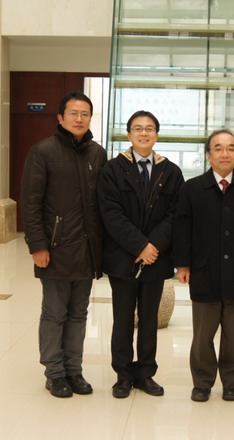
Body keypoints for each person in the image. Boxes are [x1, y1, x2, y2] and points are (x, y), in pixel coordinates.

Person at [21, 91, 107, 398]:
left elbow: (103, 205)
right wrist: (38, 245)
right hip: (55, 249)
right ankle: (55, 373)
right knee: (54, 313)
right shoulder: (43, 151)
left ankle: (74, 370)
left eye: (85, 114)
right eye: (73, 113)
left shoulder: (98, 154)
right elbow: (31, 203)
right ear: (60, 118)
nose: (79, 119)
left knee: (79, 314)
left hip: (87, 250)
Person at [173, 129, 234, 402]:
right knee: (203, 335)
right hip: (204, 271)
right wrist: (183, 265)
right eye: (218, 148)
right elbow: (182, 229)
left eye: (230, 148)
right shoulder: (192, 188)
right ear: (208, 155)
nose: (224, 154)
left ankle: (231, 382)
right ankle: (202, 382)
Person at [97, 110, 184, 399]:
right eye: (138, 128)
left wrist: (153, 246)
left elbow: (175, 214)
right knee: (122, 319)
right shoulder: (113, 169)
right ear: (129, 134)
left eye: (149, 129)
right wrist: (139, 246)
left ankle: (146, 373)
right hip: (123, 257)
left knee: (149, 320)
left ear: (156, 134)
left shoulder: (171, 171)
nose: (143, 133)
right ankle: (123, 374)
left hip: (156, 259)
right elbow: (110, 214)